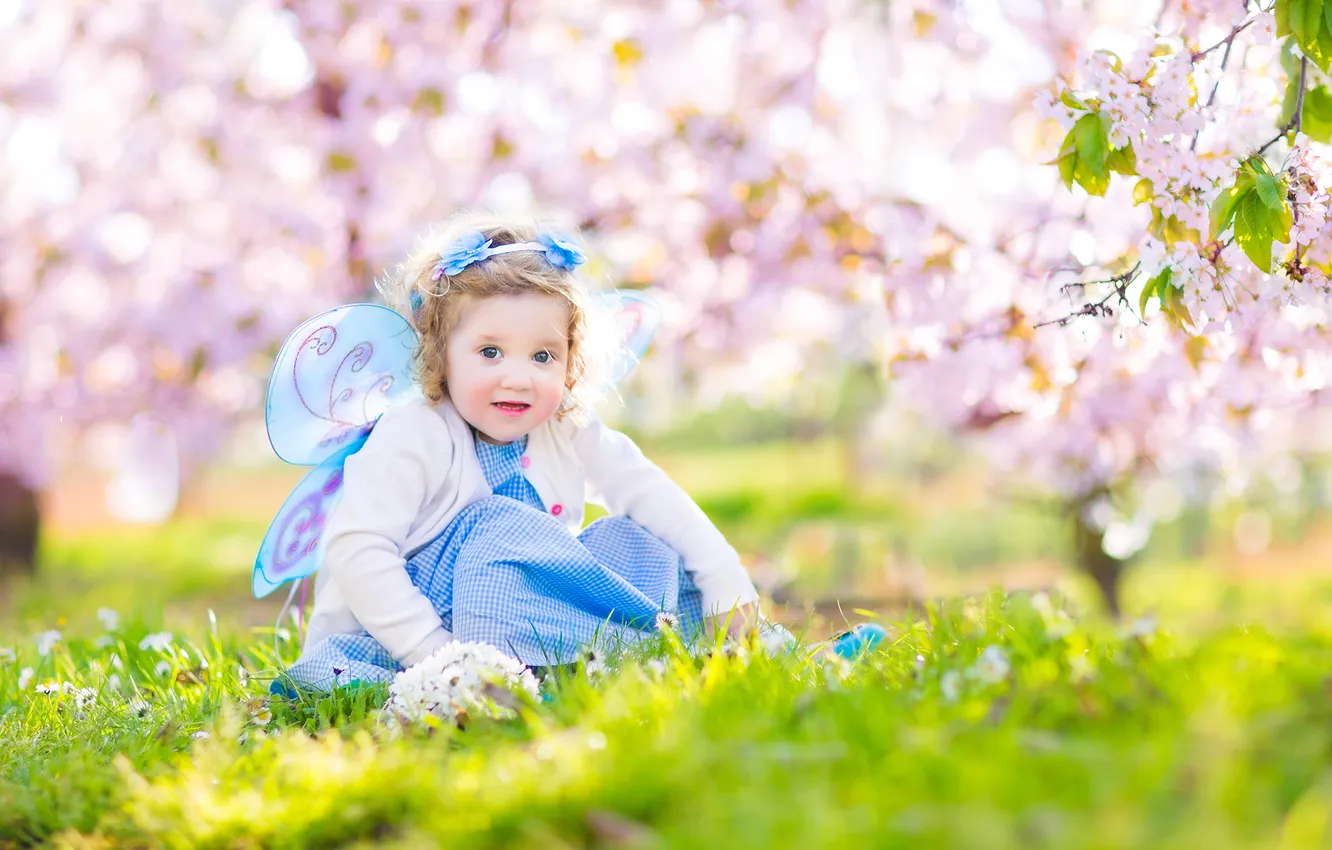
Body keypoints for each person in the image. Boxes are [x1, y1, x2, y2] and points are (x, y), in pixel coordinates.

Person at [283, 214, 761, 691]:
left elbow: (646, 490)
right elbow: (358, 549)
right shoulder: (413, 432)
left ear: (570, 358)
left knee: (632, 537)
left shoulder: (563, 425)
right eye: (490, 352)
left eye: (542, 356)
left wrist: (726, 582)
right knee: (493, 523)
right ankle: (520, 675)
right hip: (416, 632)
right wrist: (436, 655)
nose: (518, 377)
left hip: (525, 611)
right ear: (439, 354)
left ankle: (666, 644)